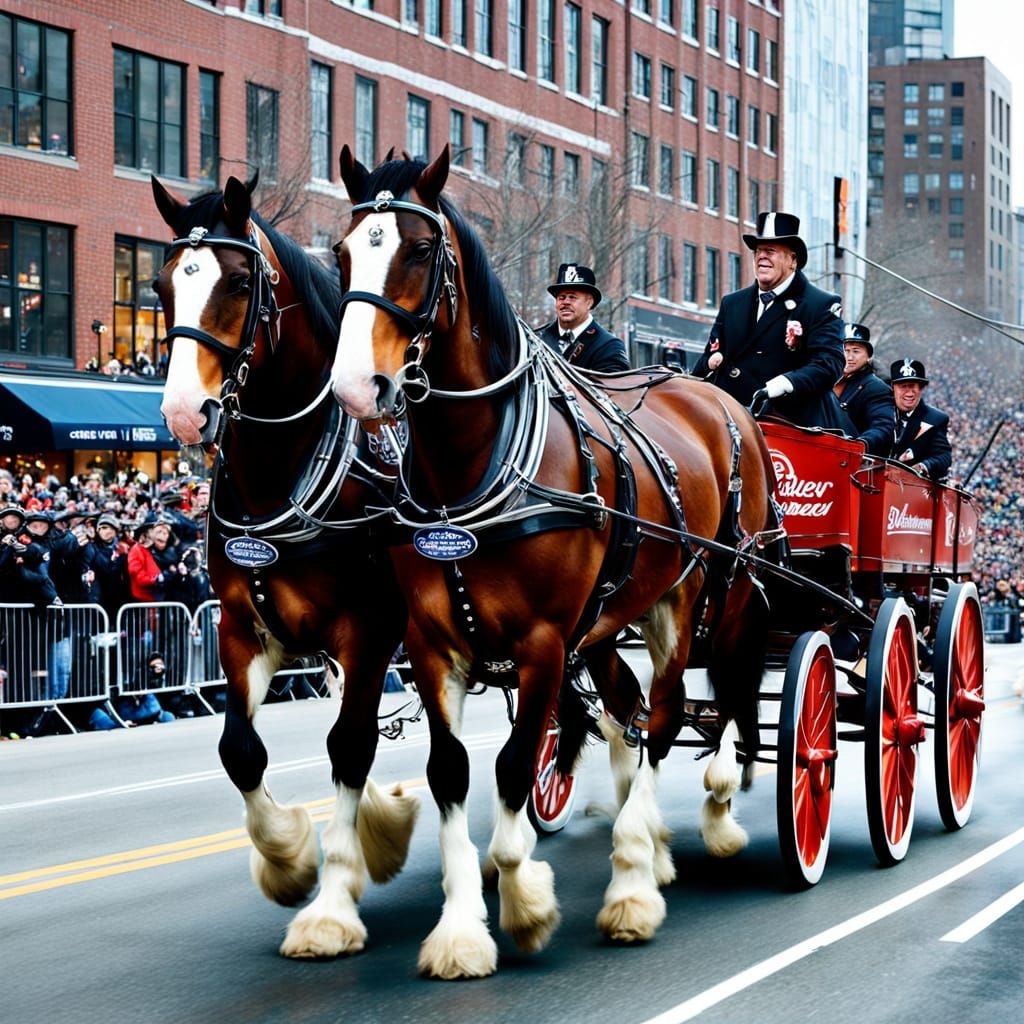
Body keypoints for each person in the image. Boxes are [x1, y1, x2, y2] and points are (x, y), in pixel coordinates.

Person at [692, 211, 845, 428]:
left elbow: (829, 364)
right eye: (758, 251)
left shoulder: (820, 304)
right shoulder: (732, 303)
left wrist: (784, 383)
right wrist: (710, 362)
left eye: (771, 251)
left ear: (793, 260)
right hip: (729, 422)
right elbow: (710, 356)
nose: (762, 257)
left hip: (787, 425)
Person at [536, 263, 630, 372]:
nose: (565, 302)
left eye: (572, 297)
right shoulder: (537, 339)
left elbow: (613, 386)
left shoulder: (608, 346)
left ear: (589, 303)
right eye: (561, 297)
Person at [833, 323, 895, 456]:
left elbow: (883, 426)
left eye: (856, 351)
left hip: (851, 459)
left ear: (868, 356)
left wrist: (862, 443)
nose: (849, 357)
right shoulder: (826, 380)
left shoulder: (877, 388)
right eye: (845, 350)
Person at [889, 358, 952, 481]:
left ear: (921, 388)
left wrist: (924, 466)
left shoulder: (936, 419)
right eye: (903, 387)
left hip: (909, 489)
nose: (909, 393)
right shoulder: (880, 410)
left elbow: (943, 456)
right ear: (893, 387)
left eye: (913, 387)